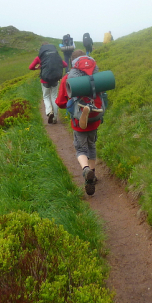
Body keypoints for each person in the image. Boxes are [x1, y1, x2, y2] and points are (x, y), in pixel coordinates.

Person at [56, 49, 105, 196]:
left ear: (73, 63)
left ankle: (85, 170)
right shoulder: (95, 75)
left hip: (79, 121)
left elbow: (60, 102)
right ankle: (93, 175)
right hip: (95, 117)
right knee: (91, 145)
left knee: (80, 149)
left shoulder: (68, 78)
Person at [29, 42, 67, 124]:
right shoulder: (56, 55)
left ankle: (49, 111)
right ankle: (55, 118)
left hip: (45, 80)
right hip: (55, 79)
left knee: (46, 97)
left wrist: (37, 68)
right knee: (54, 97)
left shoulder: (40, 57)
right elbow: (65, 64)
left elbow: (30, 67)